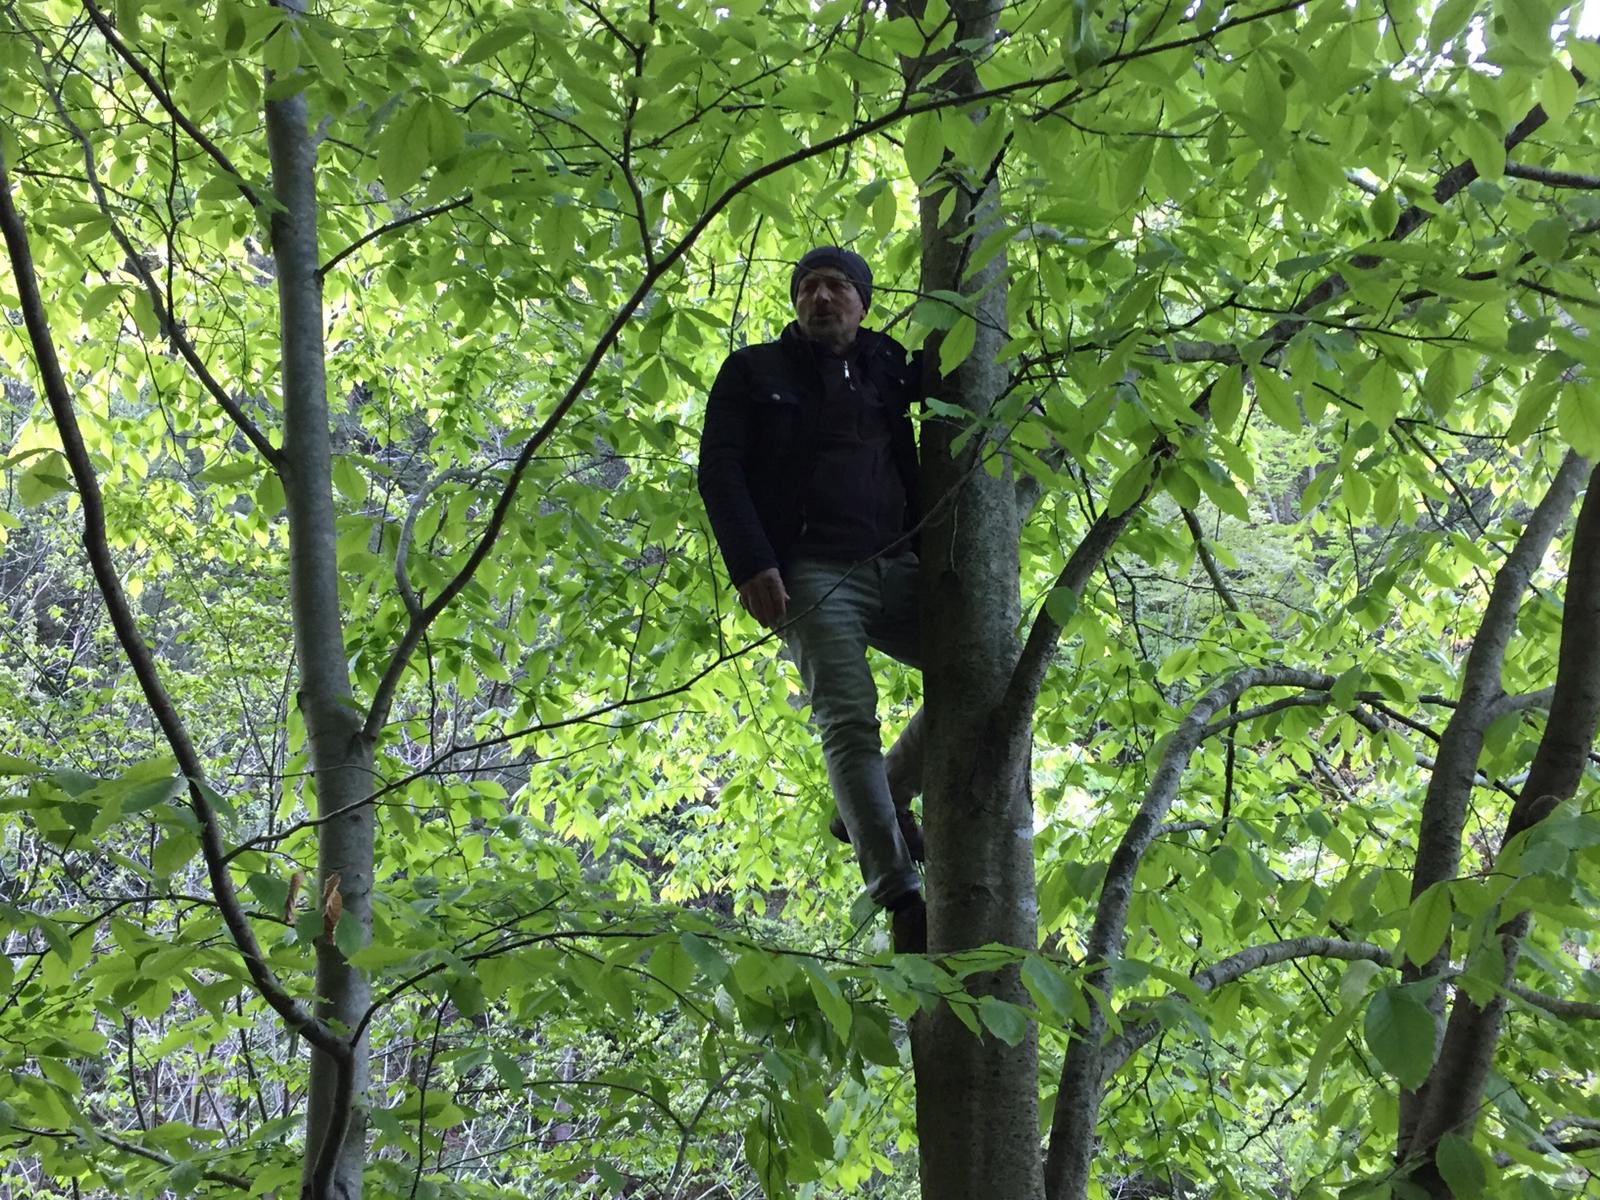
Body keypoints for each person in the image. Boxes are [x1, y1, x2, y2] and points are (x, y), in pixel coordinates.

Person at [697, 246, 929, 953]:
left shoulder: (889, 363)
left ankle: (884, 793)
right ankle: (899, 895)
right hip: (812, 572)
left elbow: (962, 390)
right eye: (809, 288)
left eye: (837, 287)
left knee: (984, 674)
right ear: (797, 301)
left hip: (902, 562)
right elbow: (719, 471)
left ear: (863, 301)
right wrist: (751, 564)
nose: (822, 298)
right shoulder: (752, 372)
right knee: (848, 717)